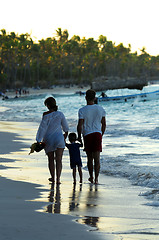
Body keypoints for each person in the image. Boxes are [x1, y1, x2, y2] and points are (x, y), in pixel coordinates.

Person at [36, 97, 69, 184]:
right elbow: (66, 127)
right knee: (59, 159)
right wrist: (65, 135)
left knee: (51, 159)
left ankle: (53, 178)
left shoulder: (45, 115)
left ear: (48, 105)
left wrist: (38, 140)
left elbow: (42, 128)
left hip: (48, 139)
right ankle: (58, 179)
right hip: (59, 137)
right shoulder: (60, 114)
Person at [77, 89, 106, 184]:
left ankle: (91, 177)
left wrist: (79, 137)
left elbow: (80, 125)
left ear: (85, 98)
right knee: (97, 158)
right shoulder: (100, 109)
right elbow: (104, 124)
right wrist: (101, 134)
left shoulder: (82, 110)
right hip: (97, 134)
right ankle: (97, 179)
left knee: (90, 158)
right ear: (95, 98)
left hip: (87, 135)